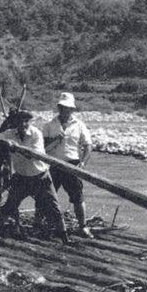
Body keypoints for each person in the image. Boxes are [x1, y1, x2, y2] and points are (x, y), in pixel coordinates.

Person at [0, 110, 69, 243]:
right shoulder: (9, 134)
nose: (23, 124)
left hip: (40, 177)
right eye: (20, 121)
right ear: (15, 122)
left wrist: (15, 147)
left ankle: (64, 237)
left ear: (30, 122)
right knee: (9, 205)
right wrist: (2, 142)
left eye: (26, 121)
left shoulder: (36, 133)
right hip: (21, 177)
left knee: (53, 207)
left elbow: (34, 154)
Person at [42, 92, 93, 238]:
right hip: (52, 164)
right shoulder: (49, 125)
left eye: (68, 108)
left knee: (77, 196)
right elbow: (42, 147)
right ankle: (45, 224)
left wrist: (83, 163)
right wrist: (55, 140)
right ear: (59, 107)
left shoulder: (79, 125)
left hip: (72, 164)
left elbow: (88, 146)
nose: (65, 110)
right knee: (47, 195)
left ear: (72, 109)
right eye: (63, 107)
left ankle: (82, 227)